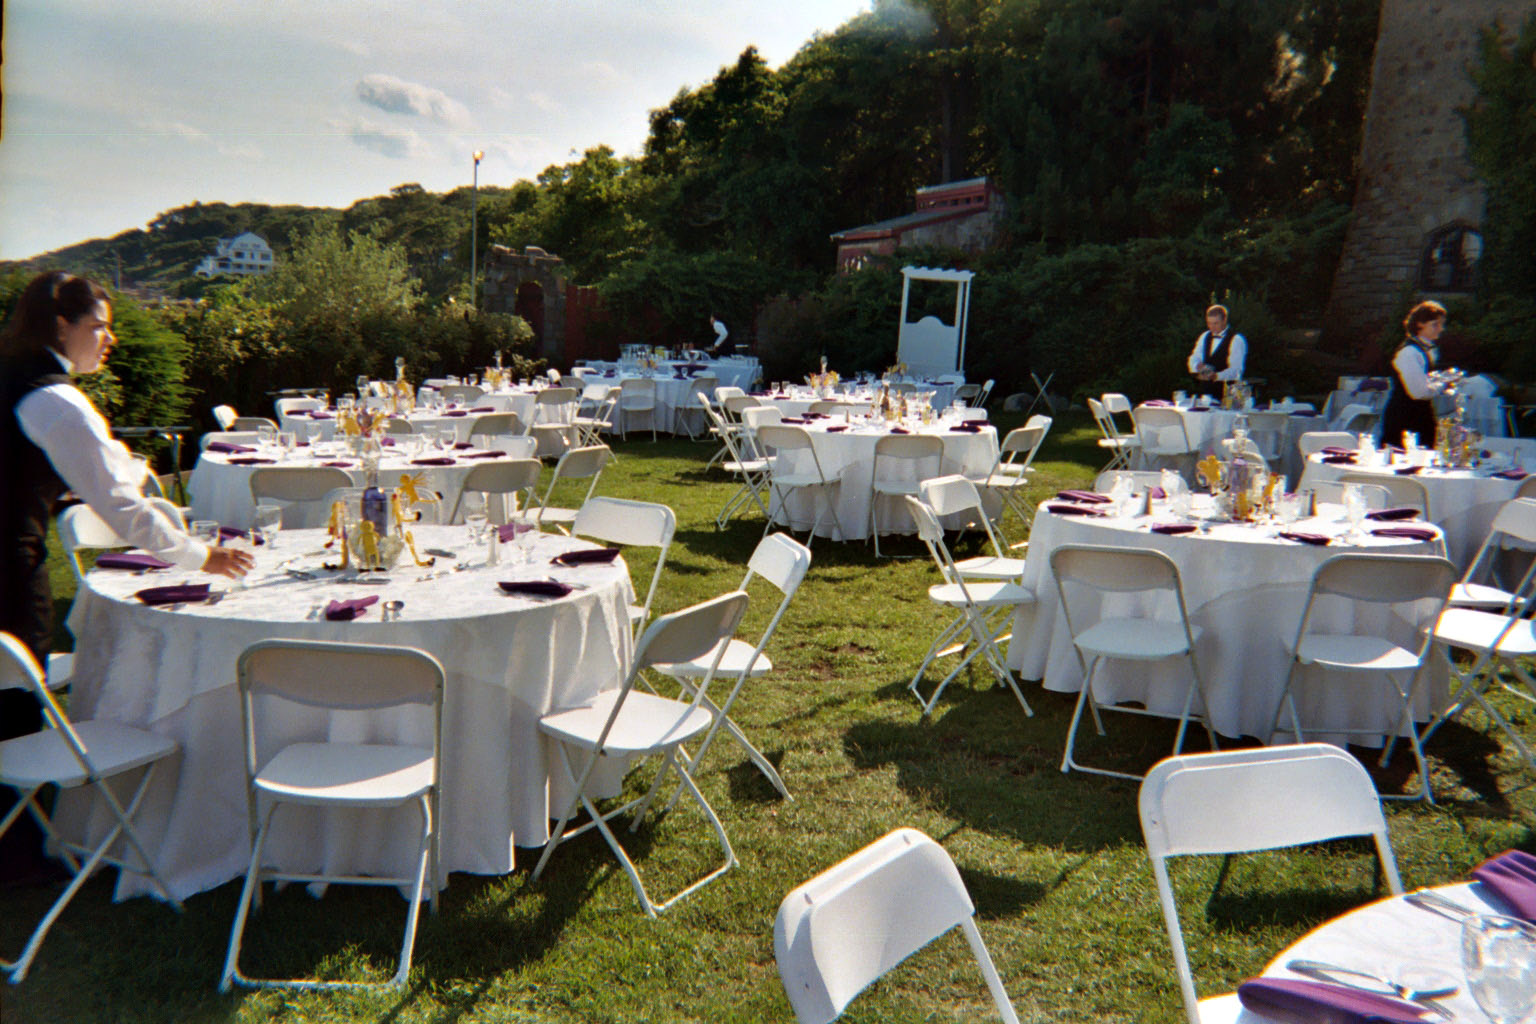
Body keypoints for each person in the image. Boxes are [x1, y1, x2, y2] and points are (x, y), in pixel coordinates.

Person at [1, 271, 251, 880]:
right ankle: (17, 854)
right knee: (13, 702)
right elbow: (122, 509)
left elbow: (105, 468)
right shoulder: (55, 400)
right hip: (8, 568)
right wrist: (200, 557)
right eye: (99, 327)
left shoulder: (15, 380)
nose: (109, 339)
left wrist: (125, 467)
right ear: (61, 325)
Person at [1379, 300, 1447, 450]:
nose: (1441, 329)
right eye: (1435, 324)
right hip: (1404, 419)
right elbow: (1418, 392)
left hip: (1421, 417)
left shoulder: (1426, 350)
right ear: (1419, 324)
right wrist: (1443, 384)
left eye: (1441, 324)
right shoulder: (1409, 352)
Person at [1187, 304, 1246, 386]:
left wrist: (1216, 376)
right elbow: (1194, 357)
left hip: (1228, 390)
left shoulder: (1236, 339)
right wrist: (1197, 366)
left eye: (1215, 323)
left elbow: (1236, 371)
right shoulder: (1205, 336)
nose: (1212, 327)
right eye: (1209, 323)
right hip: (1206, 389)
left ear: (1224, 320)